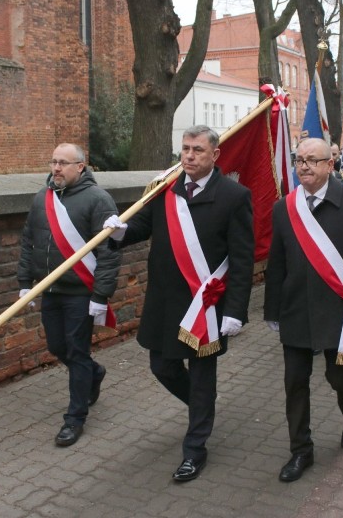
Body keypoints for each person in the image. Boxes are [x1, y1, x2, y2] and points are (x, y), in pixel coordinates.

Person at [104, 125, 255, 482]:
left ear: (214, 155)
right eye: (185, 149)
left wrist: (235, 310)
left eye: (197, 150)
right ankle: (203, 410)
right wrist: (120, 230)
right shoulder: (164, 188)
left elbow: (243, 258)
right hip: (165, 302)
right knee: (163, 368)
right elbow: (142, 225)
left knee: (203, 378)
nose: (188, 156)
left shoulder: (234, 196)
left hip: (206, 305)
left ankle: (195, 448)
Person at [264, 138, 343, 483]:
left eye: (313, 160)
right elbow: (276, 264)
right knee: (294, 382)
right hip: (295, 309)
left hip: (340, 311)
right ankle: (301, 451)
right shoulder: (284, 207)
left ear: (330, 165)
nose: (304, 166)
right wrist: (272, 309)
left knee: (338, 377)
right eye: (299, 160)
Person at [18, 143, 121, 447]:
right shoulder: (43, 198)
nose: (56, 168)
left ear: (81, 166)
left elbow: (109, 253)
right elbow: (28, 240)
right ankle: (94, 372)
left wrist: (101, 295)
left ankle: (74, 418)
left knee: (76, 352)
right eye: (53, 162)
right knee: (57, 346)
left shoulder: (99, 200)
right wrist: (25, 280)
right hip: (50, 290)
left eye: (64, 163)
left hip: (80, 292)